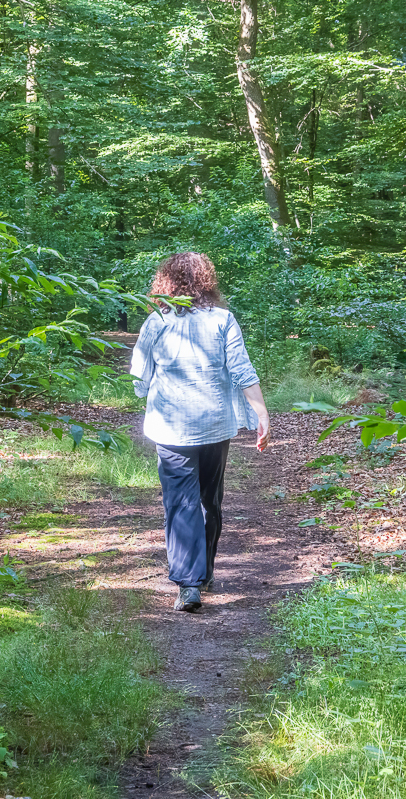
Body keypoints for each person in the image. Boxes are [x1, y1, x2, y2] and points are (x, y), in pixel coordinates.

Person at [129, 252, 270, 613]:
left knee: (181, 503)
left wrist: (147, 391)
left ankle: (189, 584)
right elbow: (242, 369)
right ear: (207, 282)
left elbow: (139, 375)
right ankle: (203, 572)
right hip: (215, 425)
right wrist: (261, 412)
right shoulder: (223, 319)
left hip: (171, 426)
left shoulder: (157, 321)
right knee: (210, 500)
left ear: (165, 283)